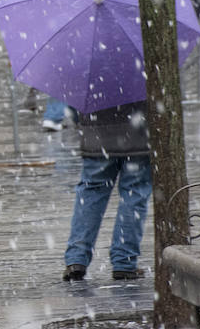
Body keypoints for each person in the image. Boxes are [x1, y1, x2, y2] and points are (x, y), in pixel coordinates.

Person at [62, 101, 152, 281]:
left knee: (91, 191)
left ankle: (76, 259)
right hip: (139, 132)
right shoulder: (142, 72)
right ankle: (124, 262)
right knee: (134, 194)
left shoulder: (89, 73)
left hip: (97, 135)